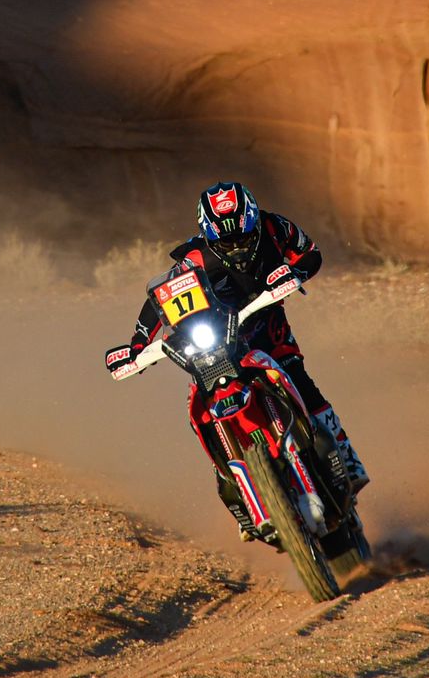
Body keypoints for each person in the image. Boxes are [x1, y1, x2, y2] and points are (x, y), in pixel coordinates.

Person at [106, 180, 368, 540]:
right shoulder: (194, 259)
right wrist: (137, 345)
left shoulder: (276, 227)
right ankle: (240, 493)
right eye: (227, 242)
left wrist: (295, 272)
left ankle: (347, 458)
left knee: (302, 384)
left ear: (254, 222)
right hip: (218, 345)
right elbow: (158, 302)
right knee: (200, 409)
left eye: (244, 237)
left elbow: (311, 254)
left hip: (268, 329)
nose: (238, 246)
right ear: (209, 236)